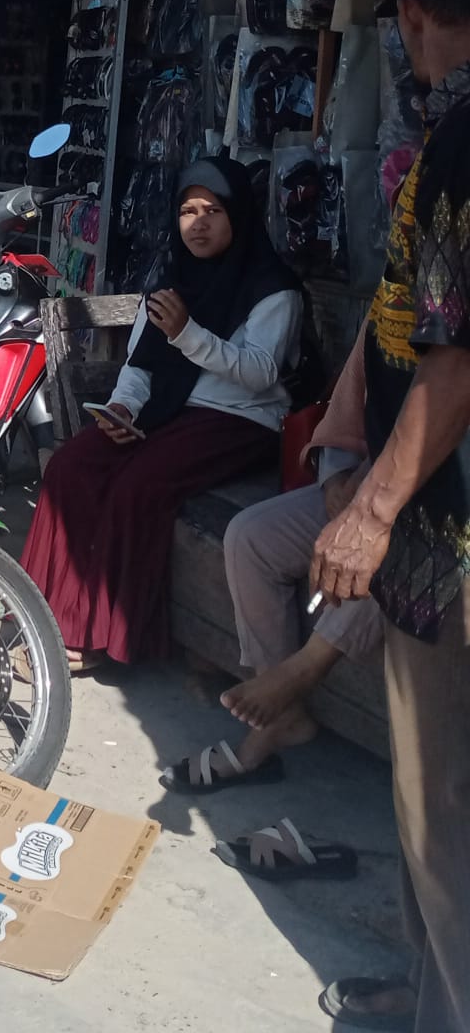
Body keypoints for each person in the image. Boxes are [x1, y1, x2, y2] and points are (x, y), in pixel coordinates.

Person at [311, 0, 470, 1033]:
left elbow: (455, 365)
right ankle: (422, 994)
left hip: (450, 538)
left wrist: (371, 508)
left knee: (438, 802)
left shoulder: (460, 142)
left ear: (413, 18)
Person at [21, 156, 303, 667]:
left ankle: (103, 637)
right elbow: (141, 362)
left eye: (213, 210)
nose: (199, 223)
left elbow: (262, 371)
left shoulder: (272, 288)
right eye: (188, 211)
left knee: (139, 486)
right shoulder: (173, 280)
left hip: (240, 420)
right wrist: (123, 407)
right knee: (71, 466)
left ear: (237, 214)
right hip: (168, 409)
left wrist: (187, 335)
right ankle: (41, 614)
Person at [164, 323, 383, 791]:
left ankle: (300, 672)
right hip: (363, 480)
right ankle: (283, 715)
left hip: (430, 510)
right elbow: (347, 404)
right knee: (251, 536)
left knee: (396, 554)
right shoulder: (394, 302)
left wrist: (375, 511)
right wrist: (335, 479)